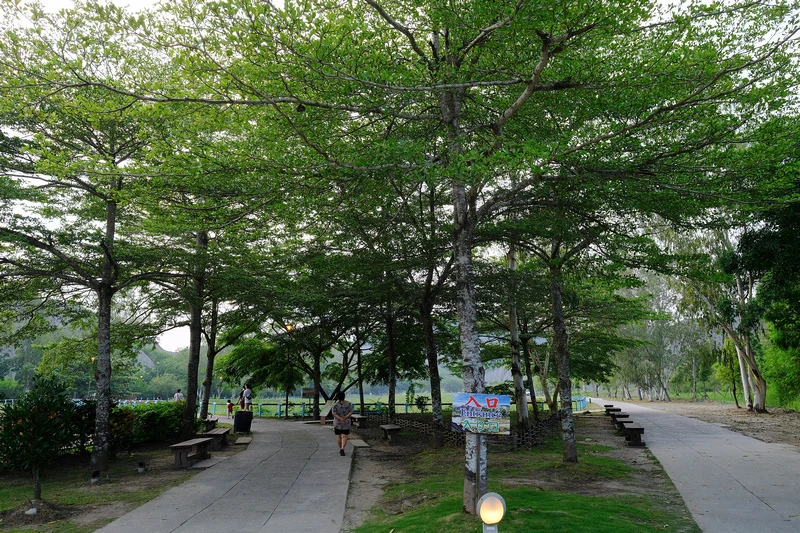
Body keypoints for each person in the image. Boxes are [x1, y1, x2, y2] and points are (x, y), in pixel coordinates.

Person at [332, 390, 354, 456]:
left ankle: (341, 448)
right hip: (346, 421)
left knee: (339, 436)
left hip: (338, 422)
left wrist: (340, 418)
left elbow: (334, 413)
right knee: (345, 436)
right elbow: (351, 411)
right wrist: (345, 417)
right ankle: (342, 448)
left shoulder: (335, 405)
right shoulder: (349, 404)